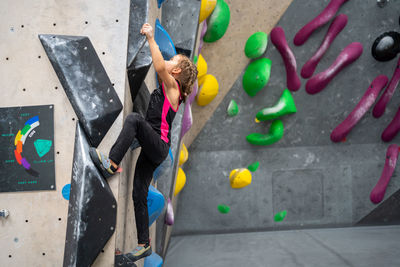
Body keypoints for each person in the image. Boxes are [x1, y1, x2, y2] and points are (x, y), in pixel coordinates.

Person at [89, 22, 197, 262]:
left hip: (157, 144)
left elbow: (159, 66)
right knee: (139, 193)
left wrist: (150, 38)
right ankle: (144, 244)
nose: (169, 62)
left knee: (135, 120)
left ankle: (111, 163)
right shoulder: (171, 88)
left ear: (177, 72)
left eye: (173, 61)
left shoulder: (174, 88)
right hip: (155, 148)